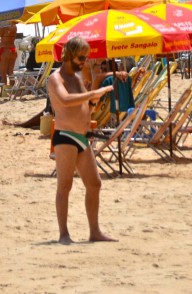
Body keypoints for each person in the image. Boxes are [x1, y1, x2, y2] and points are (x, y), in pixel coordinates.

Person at [47, 37, 115, 244]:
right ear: (69, 55)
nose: (85, 61)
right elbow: (65, 100)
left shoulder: (77, 78)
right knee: (64, 186)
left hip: (82, 136)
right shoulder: (55, 78)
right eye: (81, 57)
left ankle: (94, 232)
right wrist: (94, 92)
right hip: (65, 135)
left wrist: (94, 97)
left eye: (86, 57)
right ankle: (64, 234)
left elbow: (87, 107)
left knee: (94, 184)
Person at [0, 22, 18, 87]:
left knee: (3, 73)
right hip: (13, 49)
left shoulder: (3, 27)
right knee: (10, 72)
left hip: (5, 49)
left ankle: (4, 91)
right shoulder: (14, 26)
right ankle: (12, 90)